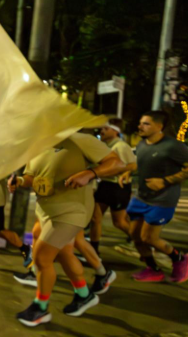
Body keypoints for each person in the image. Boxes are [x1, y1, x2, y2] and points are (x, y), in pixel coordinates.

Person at [9, 133, 124, 327]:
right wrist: (19, 181)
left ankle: (40, 308)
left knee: (41, 258)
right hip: (45, 209)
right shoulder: (37, 144)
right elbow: (31, 176)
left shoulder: (79, 139)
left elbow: (117, 163)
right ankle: (84, 294)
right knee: (64, 253)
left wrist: (89, 173)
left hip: (72, 211)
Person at [121, 111, 188, 283]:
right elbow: (142, 162)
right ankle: (153, 269)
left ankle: (180, 259)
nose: (140, 126)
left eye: (146, 124)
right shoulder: (142, 144)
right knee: (135, 235)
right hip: (141, 197)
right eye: (141, 123)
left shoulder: (173, 146)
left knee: (149, 238)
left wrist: (165, 181)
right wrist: (129, 171)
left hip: (162, 200)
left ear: (159, 127)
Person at [90, 119, 137, 253]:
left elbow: (133, 165)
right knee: (95, 218)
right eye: (101, 129)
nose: (102, 131)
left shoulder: (121, 146)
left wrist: (121, 171)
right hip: (105, 185)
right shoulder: (106, 146)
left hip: (117, 187)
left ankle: (141, 241)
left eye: (105, 129)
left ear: (115, 131)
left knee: (119, 222)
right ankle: (94, 250)